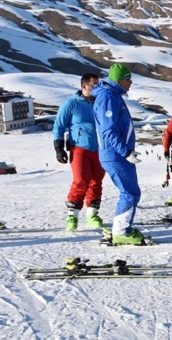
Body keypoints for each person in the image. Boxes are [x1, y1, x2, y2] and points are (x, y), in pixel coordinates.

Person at [91, 63, 145, 245]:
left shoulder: (113, 95)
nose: (131, 83)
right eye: (128, 79)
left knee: (131, 192)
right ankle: (121, 231)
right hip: (115, 155)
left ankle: (122, 228)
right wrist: (126, 151)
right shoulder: (108, 96)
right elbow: (109, 131)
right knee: (129, 192)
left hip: (118, 154)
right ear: (118, 80)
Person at [53, 73, 105, 232]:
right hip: (79, 148)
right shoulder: (71, 104)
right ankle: (72, 216)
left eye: (99, 85)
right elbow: (59, 126)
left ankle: (92, 214)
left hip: (100, 148)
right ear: (84, 87)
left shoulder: (101, 103)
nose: (97, 89)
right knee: (81, 180)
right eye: (94, 86)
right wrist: (59, 148)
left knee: (96, 181)